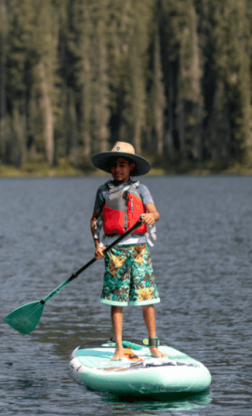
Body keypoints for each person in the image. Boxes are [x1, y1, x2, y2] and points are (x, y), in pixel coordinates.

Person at [89, 142, 166, 360]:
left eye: (122, 165)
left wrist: (152, 217)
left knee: (147, 299)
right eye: (114, 165)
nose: (117, 169)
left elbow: (155, 212)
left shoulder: (141, 189)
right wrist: (97, 244)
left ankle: (152, 345)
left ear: (131, 166)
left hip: (140, 250)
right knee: (117, 301)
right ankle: (119, 348)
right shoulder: (103, 191)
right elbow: (95, 221)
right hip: (115, 252)